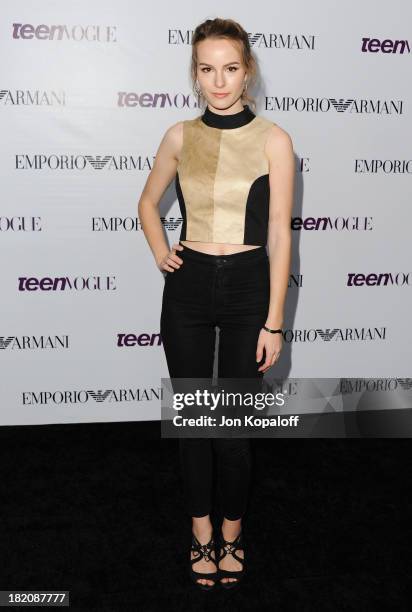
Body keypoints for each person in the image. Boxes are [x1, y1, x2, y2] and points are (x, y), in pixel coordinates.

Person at [138, 17, 294, 590]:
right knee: (194, 420)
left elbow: (280, 234)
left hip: (250, 285)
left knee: (231, 424)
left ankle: (233, 531)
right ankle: (200, 530)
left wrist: (274, 321)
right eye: (207, 69)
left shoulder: (275, 139)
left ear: (247, 69)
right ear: (195, 74)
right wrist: (162, 253)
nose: (219, 81)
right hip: (189, 286)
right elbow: (147, 203)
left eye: (230, 68)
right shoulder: (180, 134)